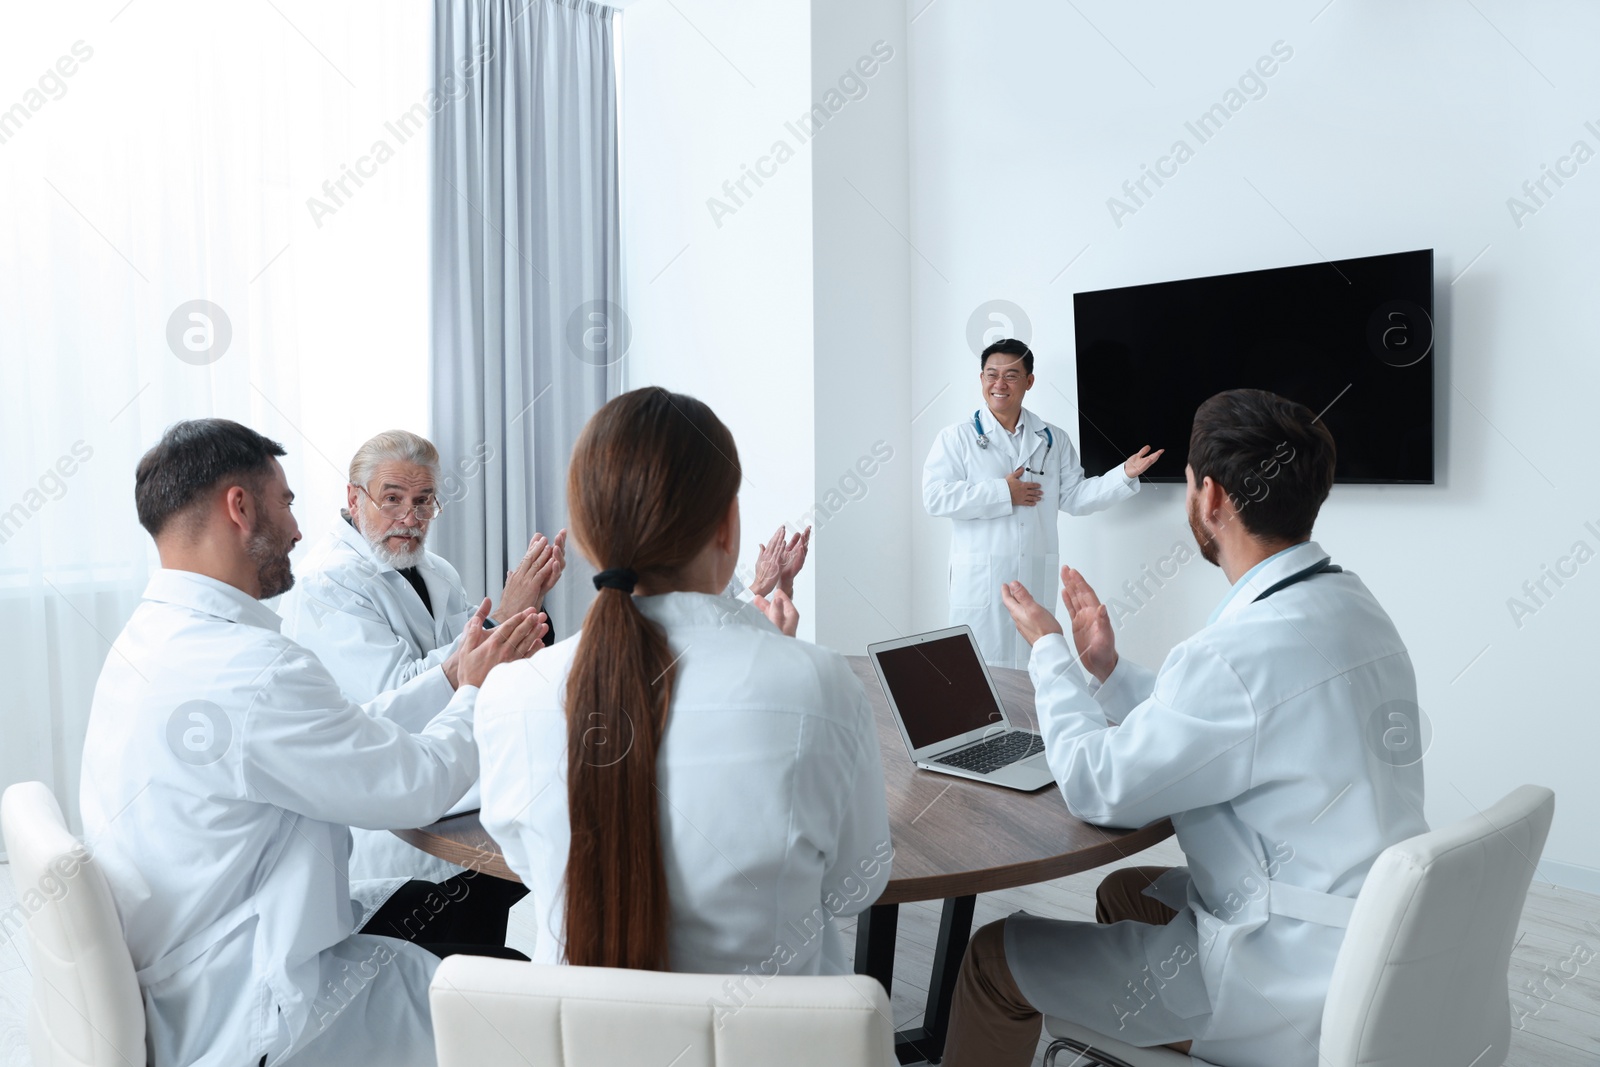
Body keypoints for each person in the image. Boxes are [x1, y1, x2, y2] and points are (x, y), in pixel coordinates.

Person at [940, 389, 1428, 1067]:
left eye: (1192, 483)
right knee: (1125, 892)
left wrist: (1049, 650)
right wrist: (1107, 669)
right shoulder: (1350, 605)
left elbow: (1096, 785)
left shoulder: (1232, 655)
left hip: (1284, 979)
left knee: (994, 957)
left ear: (1212, 499)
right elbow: (1231, 720)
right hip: (1370, 935)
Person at [80, 419, 546, 1067]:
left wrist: (447, 676)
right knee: (532, 998)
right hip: (258, 1006)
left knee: (444, 905)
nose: (299, 529)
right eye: (287, 501)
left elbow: (350, 731)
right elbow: (416, 785)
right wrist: (474, 691)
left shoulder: (150, 640)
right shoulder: (253, 668)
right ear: (240, 508)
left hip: (198, 962)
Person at [476, 387, 892, 976]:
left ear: (589, 535)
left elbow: (528, 862)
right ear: (728, 526)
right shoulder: (821, 685)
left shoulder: (510, 696)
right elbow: (856, 888)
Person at [279, 430, 562, 924]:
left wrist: (524, 621)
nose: (410, 518)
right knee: (472, 919)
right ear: (354, 497)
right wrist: (499, 626)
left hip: (452, 790)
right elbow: (394, 697)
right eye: (393, 499)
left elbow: (482, 660)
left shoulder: (436, 571)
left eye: (424, 501)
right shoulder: (328, 582)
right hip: (389, 822)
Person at [923, 337, 1161, 668]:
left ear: (1029, 381)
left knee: (1035, 677)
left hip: (1033, 574)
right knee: (979, 676)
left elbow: (1075, 497)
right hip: (981, 585)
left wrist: (1123, 474)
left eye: (1011, 375)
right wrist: (1004, 492)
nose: (999, 384)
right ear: (981, 380)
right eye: (991, 374)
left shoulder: (1053, 439)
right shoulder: (956, 438)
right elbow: (935, 497)